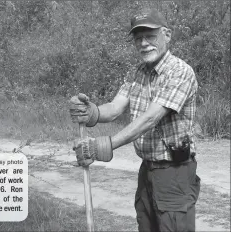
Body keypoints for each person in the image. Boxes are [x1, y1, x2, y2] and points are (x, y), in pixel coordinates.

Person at [70, 9, 201, 232]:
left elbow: (150, 119)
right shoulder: (136, 72)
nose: (143, 43)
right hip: (146, 171)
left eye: (150, 36)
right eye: (138, 38)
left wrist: (105, 145)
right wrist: (92, 113)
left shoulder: (180, 72)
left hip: (174, 173)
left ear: (166, 35)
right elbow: (114, 108)